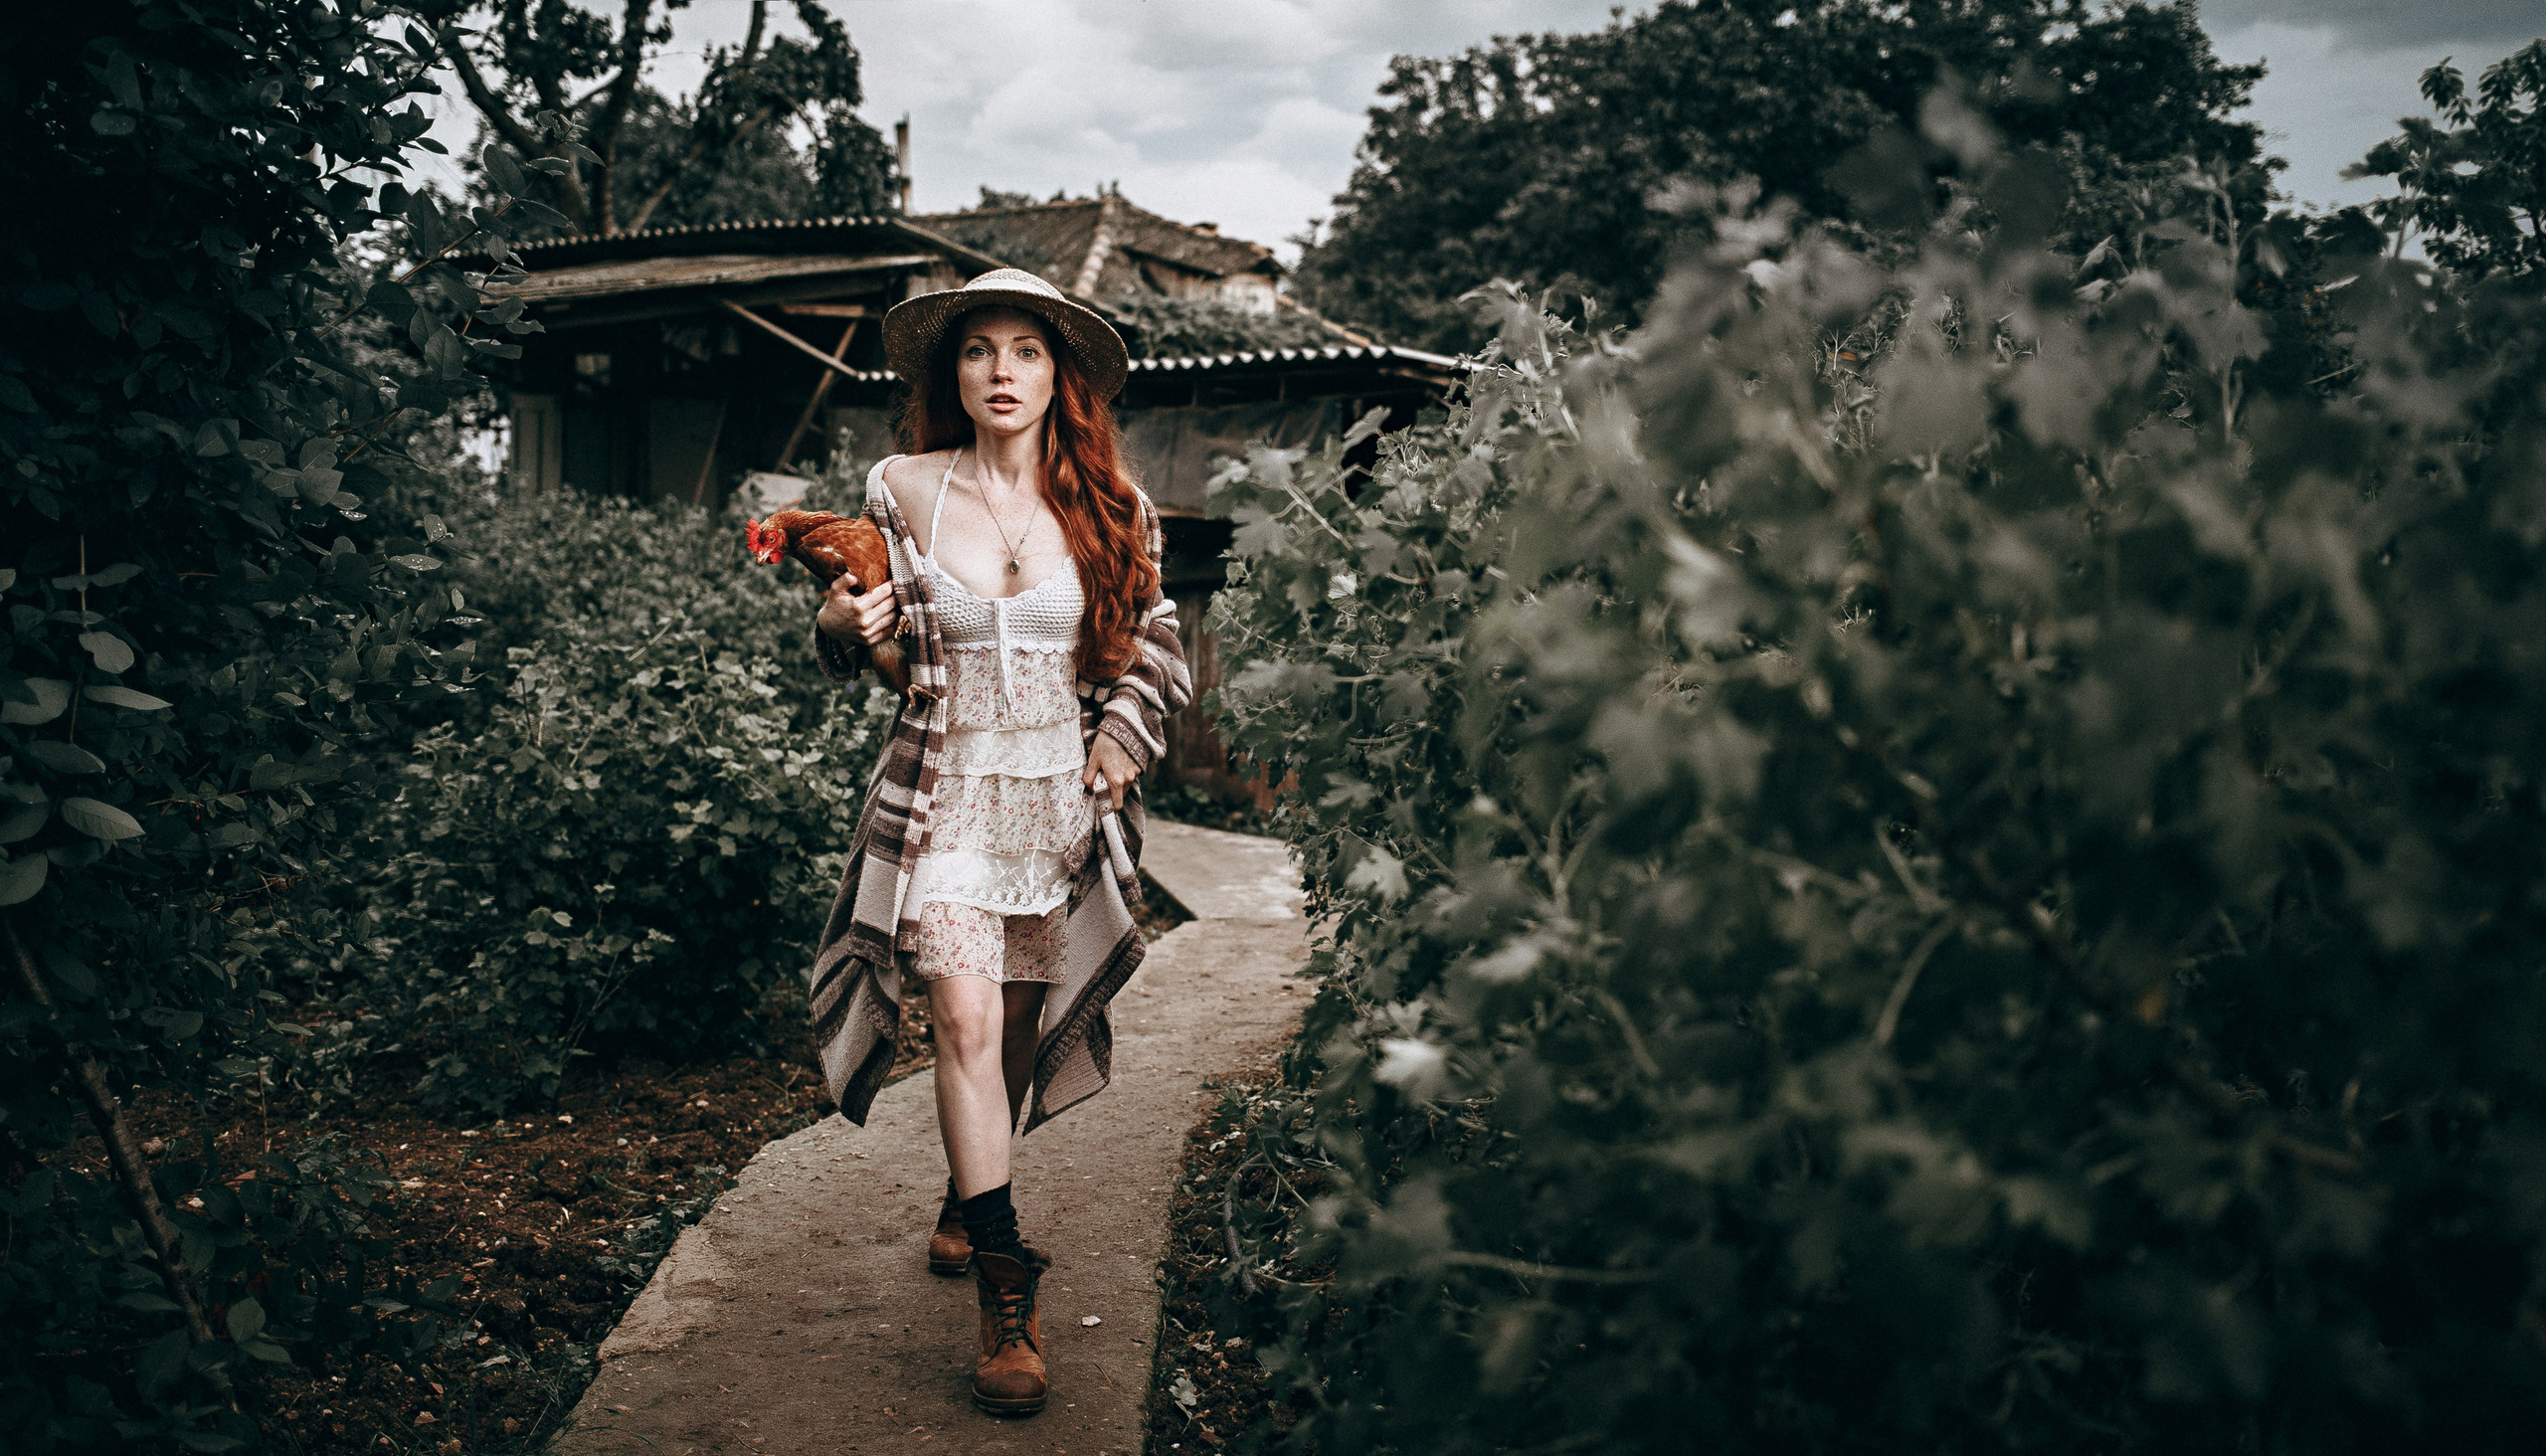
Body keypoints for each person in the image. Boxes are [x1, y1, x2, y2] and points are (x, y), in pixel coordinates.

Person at [804, 268, 1191, 1417]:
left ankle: (968, 1193)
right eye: (979, 351)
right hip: (945, 793)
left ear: (1059, 375)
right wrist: (838, 622)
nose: (1001, 371)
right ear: (953, 374)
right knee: (964, 1021)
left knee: (1016, 1024)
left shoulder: (1114, 506)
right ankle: (1005, 1296)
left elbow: (1156, 640)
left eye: (1025, 350)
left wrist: (1119, 738)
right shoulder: (902, 490)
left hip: (1057, 802)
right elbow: (862, 632)